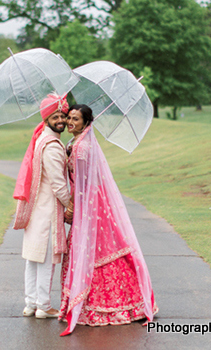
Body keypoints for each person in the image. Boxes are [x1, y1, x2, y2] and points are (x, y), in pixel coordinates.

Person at [58, 104, 157, 335]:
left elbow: (83, 184)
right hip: (92, 201)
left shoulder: (81, 148)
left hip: (90, 203)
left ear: (86, 123)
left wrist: (73, 206)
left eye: (75, 119)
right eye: (69, 118)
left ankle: (104, 306)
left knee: (95, 250)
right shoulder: (77, 143)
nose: (70, 122)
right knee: (96, 247)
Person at [13, 93, 73, 319]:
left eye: (63, 115)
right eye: (55, 116)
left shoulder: (40, 139)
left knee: (33, 257)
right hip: (48, 212)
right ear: (46, 119)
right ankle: (44, 306)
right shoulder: (52, 145)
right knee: (47, 258)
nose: (61, 120)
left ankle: (31, 303)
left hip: (36, 210)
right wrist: (70, 206)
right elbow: (59, 186)